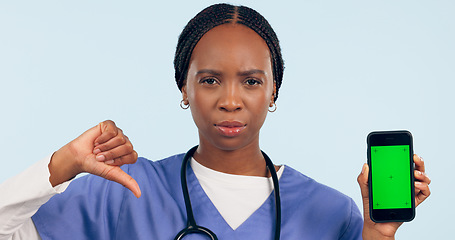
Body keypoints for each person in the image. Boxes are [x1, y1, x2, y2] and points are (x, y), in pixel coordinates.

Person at [0, 3, 431, 240]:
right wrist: (63, 163)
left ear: (273, 90)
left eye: (250, 81)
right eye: (209, 80)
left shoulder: (332, 212)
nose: (230, 100)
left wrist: (377, 233)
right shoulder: (122, 191)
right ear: (183, 89)